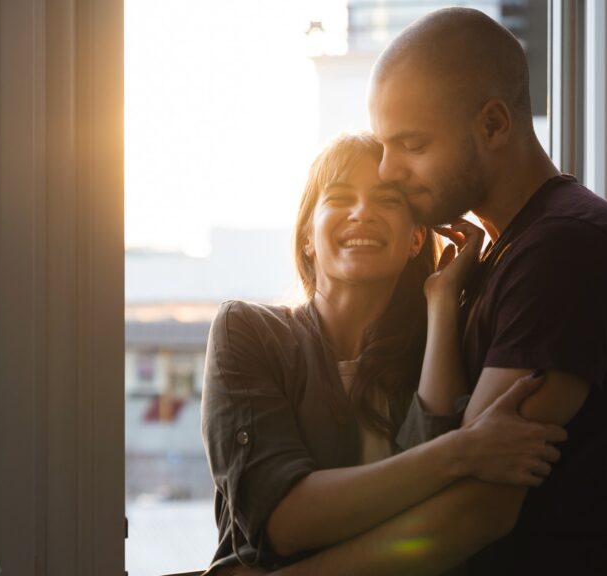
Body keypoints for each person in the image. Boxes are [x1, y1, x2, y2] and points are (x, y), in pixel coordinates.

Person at [272, 8, 607, 575]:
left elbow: (474, 508)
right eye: (385, 145)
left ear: (492, 125)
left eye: (410, 144)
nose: (387, 171)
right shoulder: (499, 254)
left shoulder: (567, 251)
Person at [201, 133, 568, 575]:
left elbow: (435, 509)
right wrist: (463, 450)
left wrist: (442, 300)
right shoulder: (248, 332)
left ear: (416, 239)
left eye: (387, 200)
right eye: (340, 197)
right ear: (307, 239)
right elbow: (284, 521)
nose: (363, 212)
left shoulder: (439, 345)